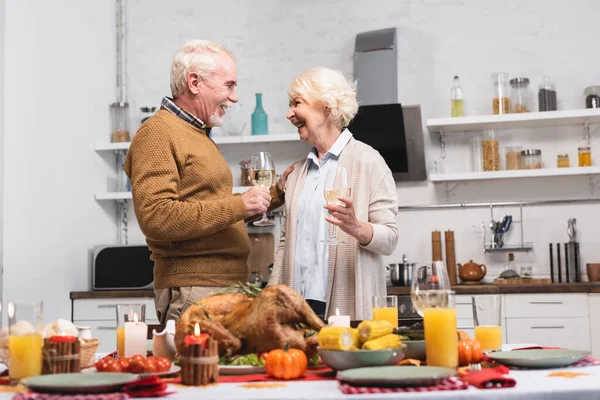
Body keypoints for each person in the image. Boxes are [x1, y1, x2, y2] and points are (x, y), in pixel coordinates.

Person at [124, 40, 291, 324]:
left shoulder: (196, 133)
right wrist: (239, 205)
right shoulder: (158, 133)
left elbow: (214, 211)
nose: (235, 97)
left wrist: (278, 193)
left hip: (222, 287)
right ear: (194, 82)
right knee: (201, 370)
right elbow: (157, 217)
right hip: (195, 290)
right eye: (229, 85)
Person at [268, 67, 399, 320]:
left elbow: (390, 238)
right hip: (296, 309)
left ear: (327, 106)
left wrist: (357, 227)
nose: (289, 114)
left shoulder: (368, 161)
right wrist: (272, 299)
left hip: (345, 306)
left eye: (297, 103)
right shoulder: (297, 173)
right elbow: (285, 242)